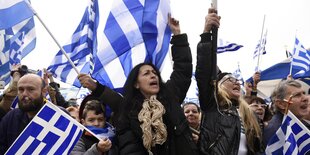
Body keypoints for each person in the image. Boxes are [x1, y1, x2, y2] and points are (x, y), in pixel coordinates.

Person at [78, 15, 198, 155]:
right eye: (146, 74)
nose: (153, 75)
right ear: (136, 84)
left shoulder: (170, 97)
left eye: (154, 73)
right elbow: (112, 97)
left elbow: (183, 71)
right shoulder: (128, 108)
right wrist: (93, 85)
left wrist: (178, 37)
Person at [195, 7, 263, 154]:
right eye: (229, 79)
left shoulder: (250, 116)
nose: (236, 82)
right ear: (218, 86)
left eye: (237, 79)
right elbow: (204, 72)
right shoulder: (213, 106)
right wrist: (206, 34)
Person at [0, 74, 47, 154]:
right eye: (21, 89)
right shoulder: (11, 117)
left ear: (43, 92)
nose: (24, 94)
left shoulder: (59, 116)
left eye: (31, 89)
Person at [263, 80, 309, 145]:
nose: (305, 98)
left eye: (304, 93)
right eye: (297, 95)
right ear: (281, 104)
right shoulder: (276, 131)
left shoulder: (302, 123)